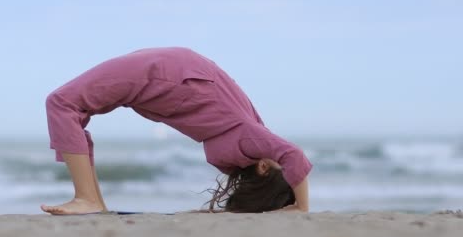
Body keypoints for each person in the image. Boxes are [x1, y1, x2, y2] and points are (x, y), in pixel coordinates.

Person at [42, 47, 312, 215]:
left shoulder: (247, 146)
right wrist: (301, 207)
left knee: (64, 103)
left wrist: (294, 206)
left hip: (173, 73)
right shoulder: (251, 137)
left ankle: (89, 200)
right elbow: (294, 155)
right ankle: (90, 199)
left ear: (264, 170)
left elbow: (291, 156)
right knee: (66, 104)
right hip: (173, 74)